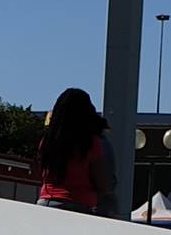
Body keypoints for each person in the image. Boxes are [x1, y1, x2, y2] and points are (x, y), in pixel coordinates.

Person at [36, 87, 115, 217]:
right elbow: (101, 183)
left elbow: (40, 173)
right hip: (78, 205)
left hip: (46, 203)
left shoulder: (47, 140)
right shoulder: (90, 142)